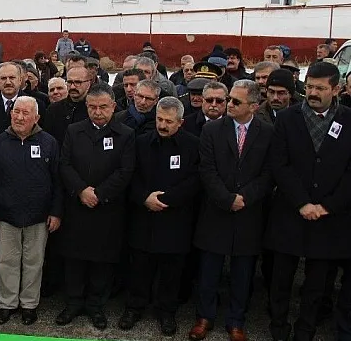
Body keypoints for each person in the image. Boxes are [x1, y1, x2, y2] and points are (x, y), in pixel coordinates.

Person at [265, 62, 351, 341]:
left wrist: (327, 206)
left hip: (328, 218)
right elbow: (280, 164)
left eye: (320, 88)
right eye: (310, 86)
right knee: (281, 278)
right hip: (291, 213)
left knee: (317, 284)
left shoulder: (348, 120)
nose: (313, 92)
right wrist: (302, 202)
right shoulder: (288, 119)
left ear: (336, 89)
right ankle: (278, 326)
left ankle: (306, 329)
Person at [188, 80, 273, 341]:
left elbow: (269, 173)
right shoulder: (212, 130)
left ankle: (236, 320)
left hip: (249, 212)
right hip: (216, 210)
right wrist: (226, 199)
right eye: (230, 100)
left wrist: (244, 197)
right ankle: (205, 317)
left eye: (235, 101)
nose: (229, 105)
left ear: (254, 106)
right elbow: (206, 170)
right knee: (210, 270)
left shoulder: (268, 132)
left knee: (242, 272)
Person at [117, 97, 200, 337]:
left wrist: (168, 199)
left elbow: (195, 180)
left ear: (180, 122)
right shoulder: (140, 142)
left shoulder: (192, 145)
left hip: (175, 219)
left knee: (171, 272)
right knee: (140, 268)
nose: (162, 125)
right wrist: (144, 198)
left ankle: (166, 312)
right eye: (159, 120)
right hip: (144, 217)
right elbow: (129, 175)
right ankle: (134, 308)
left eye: (168, 121)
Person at [56, 83, 136, 330]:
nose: (97, 112)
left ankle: (95, 305)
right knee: (75, 259)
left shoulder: (125, 134)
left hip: (107, 209)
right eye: (92, 107)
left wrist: (99, 194)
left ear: (113, 106)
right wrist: (81, 190)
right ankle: (73, 303)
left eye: (103, 107)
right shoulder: (74, 130)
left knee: (102, 260)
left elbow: (125, 171)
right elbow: (64, 164)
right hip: (77, 206)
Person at [0, 96, 62, 326]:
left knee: (34, 261)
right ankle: (7, 304)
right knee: (6, 261)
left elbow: (57, 181)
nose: (19, 117)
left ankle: (29, 304)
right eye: (16, 111)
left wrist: (56, 212)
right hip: (6, 216)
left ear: (36, 118)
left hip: (38, 216)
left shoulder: (49, 143)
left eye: (26, 113)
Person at [42, 67, 91, 147]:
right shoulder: (53, 110)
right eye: (69, 82)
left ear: (88, 84)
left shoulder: (94, 109)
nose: (72, 87)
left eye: (78, 82)